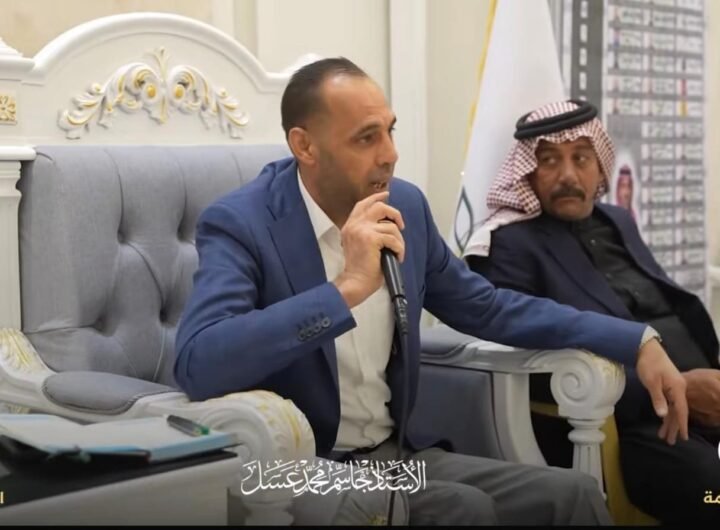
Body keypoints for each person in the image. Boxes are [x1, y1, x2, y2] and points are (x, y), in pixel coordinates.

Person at [175, 60, 689, 525]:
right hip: (297, 468)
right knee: (463, 509)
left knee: (571, 494)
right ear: (305, 146)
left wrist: (633, 339)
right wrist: (345, 289)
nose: (390, 155)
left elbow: (488, 307)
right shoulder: (242, 223)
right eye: (366, 138)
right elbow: (200, 362)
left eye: (390, 131)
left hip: (395, 456)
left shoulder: (404, 207)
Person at [465, 99, 720, 524]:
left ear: (601, 165)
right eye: (549, 160)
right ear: (527, 172)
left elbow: (664, 306)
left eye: (581, 158)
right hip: (635, 423)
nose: (568, 175)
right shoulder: (509, 244)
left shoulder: (616, 219)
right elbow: (522, 363)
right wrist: (675, 391)